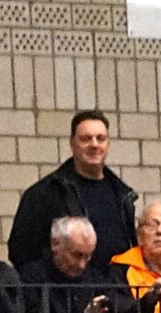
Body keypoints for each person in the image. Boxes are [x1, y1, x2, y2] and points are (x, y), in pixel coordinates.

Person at [11, 111, 139, 270]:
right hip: (66, 285)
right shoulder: (44, 193)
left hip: (118, 284)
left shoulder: (122, 195)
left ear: (108, 144)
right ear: (72, 143)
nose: (94, 145)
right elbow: (20, 253)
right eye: (86, 139)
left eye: (101, 138)